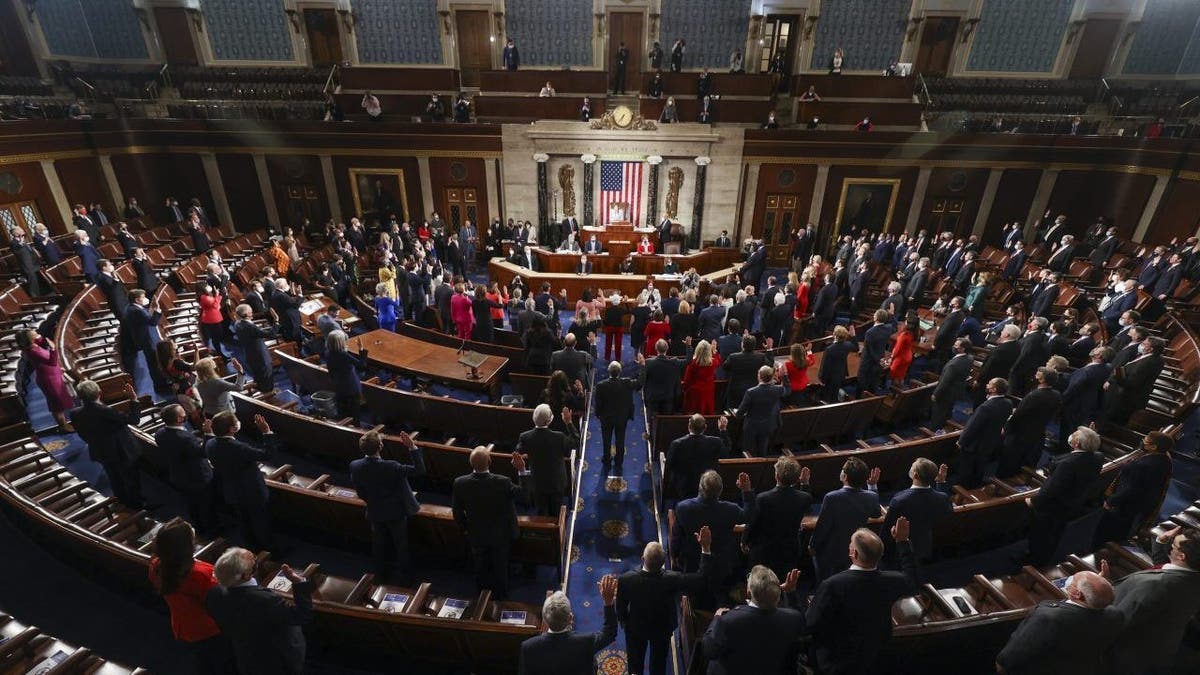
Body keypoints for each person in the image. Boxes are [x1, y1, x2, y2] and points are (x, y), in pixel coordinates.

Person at [807, 518, 919, 674]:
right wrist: (902, 541)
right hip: (877, 657)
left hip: (838, 663)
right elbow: (911, 580)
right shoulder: (893, 581)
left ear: (854, 553)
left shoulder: (832, 585)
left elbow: (811, 624)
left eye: (851, 543)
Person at [1102, 525, 1200, 674]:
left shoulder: (1154, 585)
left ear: (1182, 556)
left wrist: (1101, 589)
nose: (1171, 547)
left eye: (1173, 545)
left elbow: (1117, 622)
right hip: (1159, 651)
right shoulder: (1193, 578)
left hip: (1122, 658)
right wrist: (1160, 543)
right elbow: (1170, 571)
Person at [620, 528, 713, 675]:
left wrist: (625, 623)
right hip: (662, 627)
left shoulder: (626, 579)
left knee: (635, 666)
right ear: (663, 563)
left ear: (642, 559)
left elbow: (621, 607)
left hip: (636, 628)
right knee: (659, 665)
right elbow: (701, 579)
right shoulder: (673, 579)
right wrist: (706, 548)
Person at [206, 548, 314, 675]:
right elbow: (302, 615)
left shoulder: (214, 594)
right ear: (246, 575)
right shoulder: (265, 600)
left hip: (246, 655)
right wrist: (298, 583)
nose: (255, 560)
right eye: (253, 562)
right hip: (277, 660)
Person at [149, 519, 235, 675]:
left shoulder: (156, 566)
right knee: (224, 664)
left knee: (202, 661)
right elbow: (220, 600)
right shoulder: (199, 573)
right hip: (210, 629)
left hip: (182, 625)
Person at [995, 570, 1121, 675]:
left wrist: (1001, 666)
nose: (1069, 581)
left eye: (1073, 580)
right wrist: (1098, 589)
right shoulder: (1115, 615)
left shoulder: (1049, 618)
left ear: (1077, 594)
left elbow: (1010, 659)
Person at [452, 447, 529, 599]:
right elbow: (525, 496)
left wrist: (466, 529)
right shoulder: (503, 482)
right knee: (500, 568)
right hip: (501, 535)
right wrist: (522, 470)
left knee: (480, 568)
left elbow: (457, 513)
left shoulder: (460, 483)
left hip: (477, 535)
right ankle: (502, 597)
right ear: (490, 461)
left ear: (471, 464)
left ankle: (481, 597)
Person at [700, 564, 805, 674]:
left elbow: (708, 650)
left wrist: (716, 618)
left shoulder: (728, 621)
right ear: (778, 592)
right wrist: (790, 592)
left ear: (748, 592)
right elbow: (799, 624)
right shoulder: (793, 618)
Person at [350, 429, 424, 584]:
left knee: (379, 545)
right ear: (380, 446)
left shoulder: (355, 466)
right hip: (396, 513)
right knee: (401, 545)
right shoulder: (392, 466)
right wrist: (412, 447)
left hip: (375, 511)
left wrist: (372, 501)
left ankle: (380, 576)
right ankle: (406, 578)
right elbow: (420, 470)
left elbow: (361, 492)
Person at [1026, 426, 1103, 566]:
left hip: (1052, 508)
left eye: (1074, 435)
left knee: (1041, 535)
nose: (1071, 435)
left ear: (1077, 443)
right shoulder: (1098, 457)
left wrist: (1033, 501)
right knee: (1055, 534)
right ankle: (1044, 558)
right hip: (1072, 504)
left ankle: (1033, 562)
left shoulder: (1067, 464)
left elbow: (1051, 490)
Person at [670, 470, 755, 592]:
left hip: (693, 562)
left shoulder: (683, 508)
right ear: (720, 491)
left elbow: (676, 537)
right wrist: (746, 491)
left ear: (700, 487)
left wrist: (674, 555)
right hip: (723, 563)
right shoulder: (731, 510)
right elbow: (749, 516)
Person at [207, 411, 278, 553]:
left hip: (231, 490)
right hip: (252, 491)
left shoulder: (210, 443)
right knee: (260, 522)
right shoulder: (239, 448)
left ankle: (251, 549)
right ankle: (270, 551)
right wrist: (266, 432)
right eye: (236, 421)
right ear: (233, 429)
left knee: (244, 522)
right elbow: (268, 455)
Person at [518, 576, 618, 675]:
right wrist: (608, 602)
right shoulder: (586, 641)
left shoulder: (528, 647)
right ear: (570, 618)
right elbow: (609, 633)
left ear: (544, 619)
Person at [1093, 430, 1173, 548]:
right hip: (1139, 504)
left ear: (1154, 447)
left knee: (1105, 532)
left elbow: (1130, 488)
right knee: (1123, 529)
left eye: (1146, 441)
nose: (1143, 441)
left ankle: (1099, 550)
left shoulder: (1142, 465)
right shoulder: (1165, 460)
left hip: (1122, 505)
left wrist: (1111, 501)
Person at [71, 381, 144, 507]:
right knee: (131, 478)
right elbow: (134, 419)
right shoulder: (104, 411)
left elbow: (82, 434)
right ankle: (137, 505)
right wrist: (133, 399)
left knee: (114, 478)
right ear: (99, 393)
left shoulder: (75, 414)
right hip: (121, 452)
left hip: (100, 451)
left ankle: (124, 502)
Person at [811, 457, 881, 580]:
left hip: (831, 553)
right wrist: (872, 486)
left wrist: (813, 546)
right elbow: (876, 513)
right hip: (856, 550)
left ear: (845, 476)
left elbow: (823, 526)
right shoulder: (872, 496)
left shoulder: (832, 497)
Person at [743, 457, 811, 580]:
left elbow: (753, 523)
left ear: (776, 476)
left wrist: (744, 540)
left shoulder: (763, 498)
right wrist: (804, 484)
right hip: (789, 550)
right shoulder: (805, 498)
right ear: (797, 478)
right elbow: (803, 503)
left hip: (765, 553)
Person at [882, 459, 951, 563]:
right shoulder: (942, 497)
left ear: (915, 475)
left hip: (900, 552)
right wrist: (940, 482)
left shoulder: (900, 500)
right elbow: (946, 507)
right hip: (927, 547)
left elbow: (886, 531)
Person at [997, 367, 1061, 478]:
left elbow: (1018, 415)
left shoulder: (1034, 395)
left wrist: (1006, 428)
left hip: (1020, 431)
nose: (1036, 373)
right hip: (1038, 430)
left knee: (1009, 457)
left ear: (1042, 380)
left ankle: (1001, 478)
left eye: (1039, 373)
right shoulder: (1056, 394)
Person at [956, 377, 1013, 488]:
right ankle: (976, 487)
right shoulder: (1008, 403)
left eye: (989, 384)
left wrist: (961, 441)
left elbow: (973, 427)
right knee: (980, 467)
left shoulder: (985, 407)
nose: (987, 385)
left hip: (975, 445)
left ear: (994, 389)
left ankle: (961, 489)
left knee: (966, 469)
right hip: (991, 442)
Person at [518, 404, 573, 516]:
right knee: (557, 512)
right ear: (549, 421)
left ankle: (544, 531)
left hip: (537, 482)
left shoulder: (525, 437)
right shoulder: (559, 437)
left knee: (541, 512)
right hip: (556, 482)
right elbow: (575, 442)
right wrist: (568, 423)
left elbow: (518, 451)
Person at [16, 330, 75, 431]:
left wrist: (38, 337)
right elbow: (51, 361)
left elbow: (42, 340)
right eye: (32, 332)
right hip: (49, 380)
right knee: (57, 405)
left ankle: (64, 423)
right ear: (30, 339)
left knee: (59, 401)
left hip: (52, 374)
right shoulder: (33, 351)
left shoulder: (33, 345)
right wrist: (53, 348)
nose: (35, 331)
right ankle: (63, 426)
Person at [595, 360, 642, 467]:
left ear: (609, 371)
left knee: (606, 439)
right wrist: (642, 367)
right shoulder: (627, 383)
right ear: (620, 372)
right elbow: (640, 383)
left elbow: (598, 403)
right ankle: (619, 461)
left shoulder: (601, 385)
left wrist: (598, 414)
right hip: (622, 417)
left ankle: (606, 459)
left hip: (606, 418)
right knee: (620, 439)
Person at [735, 365, 790, 457]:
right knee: (762, 450)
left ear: (759, 376)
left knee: (749, 450)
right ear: (772, 377)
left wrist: (737, 414)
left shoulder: (751, 392)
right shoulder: (778, 389)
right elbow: (787, 390)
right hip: (768, 425)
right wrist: (784, 375)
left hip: (752, 426)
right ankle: (762, 467)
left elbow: (741, 412)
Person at [929, 338, 973, 430]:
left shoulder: (954, 364)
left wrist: (936, 394)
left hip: (946, 393)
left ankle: (933, 432)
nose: (954, 346)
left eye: (956, 345)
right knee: (947, 411)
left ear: (962, 349)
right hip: (956, 391)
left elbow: (945, 381)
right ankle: (943, 427)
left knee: (938, 414)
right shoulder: (969, 358)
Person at [232, 304, 277, 393]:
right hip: (260, 356)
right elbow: (270, 334)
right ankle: (269, 394)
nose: (252, 313)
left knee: (258, 376)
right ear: (246, 313)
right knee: (266, 377)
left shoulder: (237, 323)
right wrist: (276, 321)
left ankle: (263, 390)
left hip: (250, 354)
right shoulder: (249, 326)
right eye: (250, 311)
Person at [324, 330, 363, 419]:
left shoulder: (328, 353)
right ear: (340, 342)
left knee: (343, 411)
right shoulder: (343, 355)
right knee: (354, 413)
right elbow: (362, 365)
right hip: (351, 387)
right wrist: (361, 349)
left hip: (338, 386)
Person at [818, 325, 857, 403]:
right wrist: (853, 336)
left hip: (830, 377)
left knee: (828, 396)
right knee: (835, 392)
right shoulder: (847, 345)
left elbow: (825, 366)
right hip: (841, 373)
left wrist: (822, 379)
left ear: (834, 335)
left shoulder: (829, 349)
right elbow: (856, 347)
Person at [682, 340, 721, 415]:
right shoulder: (712, 363)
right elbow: (718, 361)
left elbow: (687, 381)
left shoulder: (693, 363)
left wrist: (684, 390)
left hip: (694, 394)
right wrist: (714, 351)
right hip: (708, 392)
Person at [889, 317, 918, 387]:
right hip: (908, 356)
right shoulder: (913, 333)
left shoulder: (904, 335)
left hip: (900, 358)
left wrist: (891, 358)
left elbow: (897, 350)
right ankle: (900, 392)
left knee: (894, 376)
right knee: (901, 376)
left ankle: (895, 393)